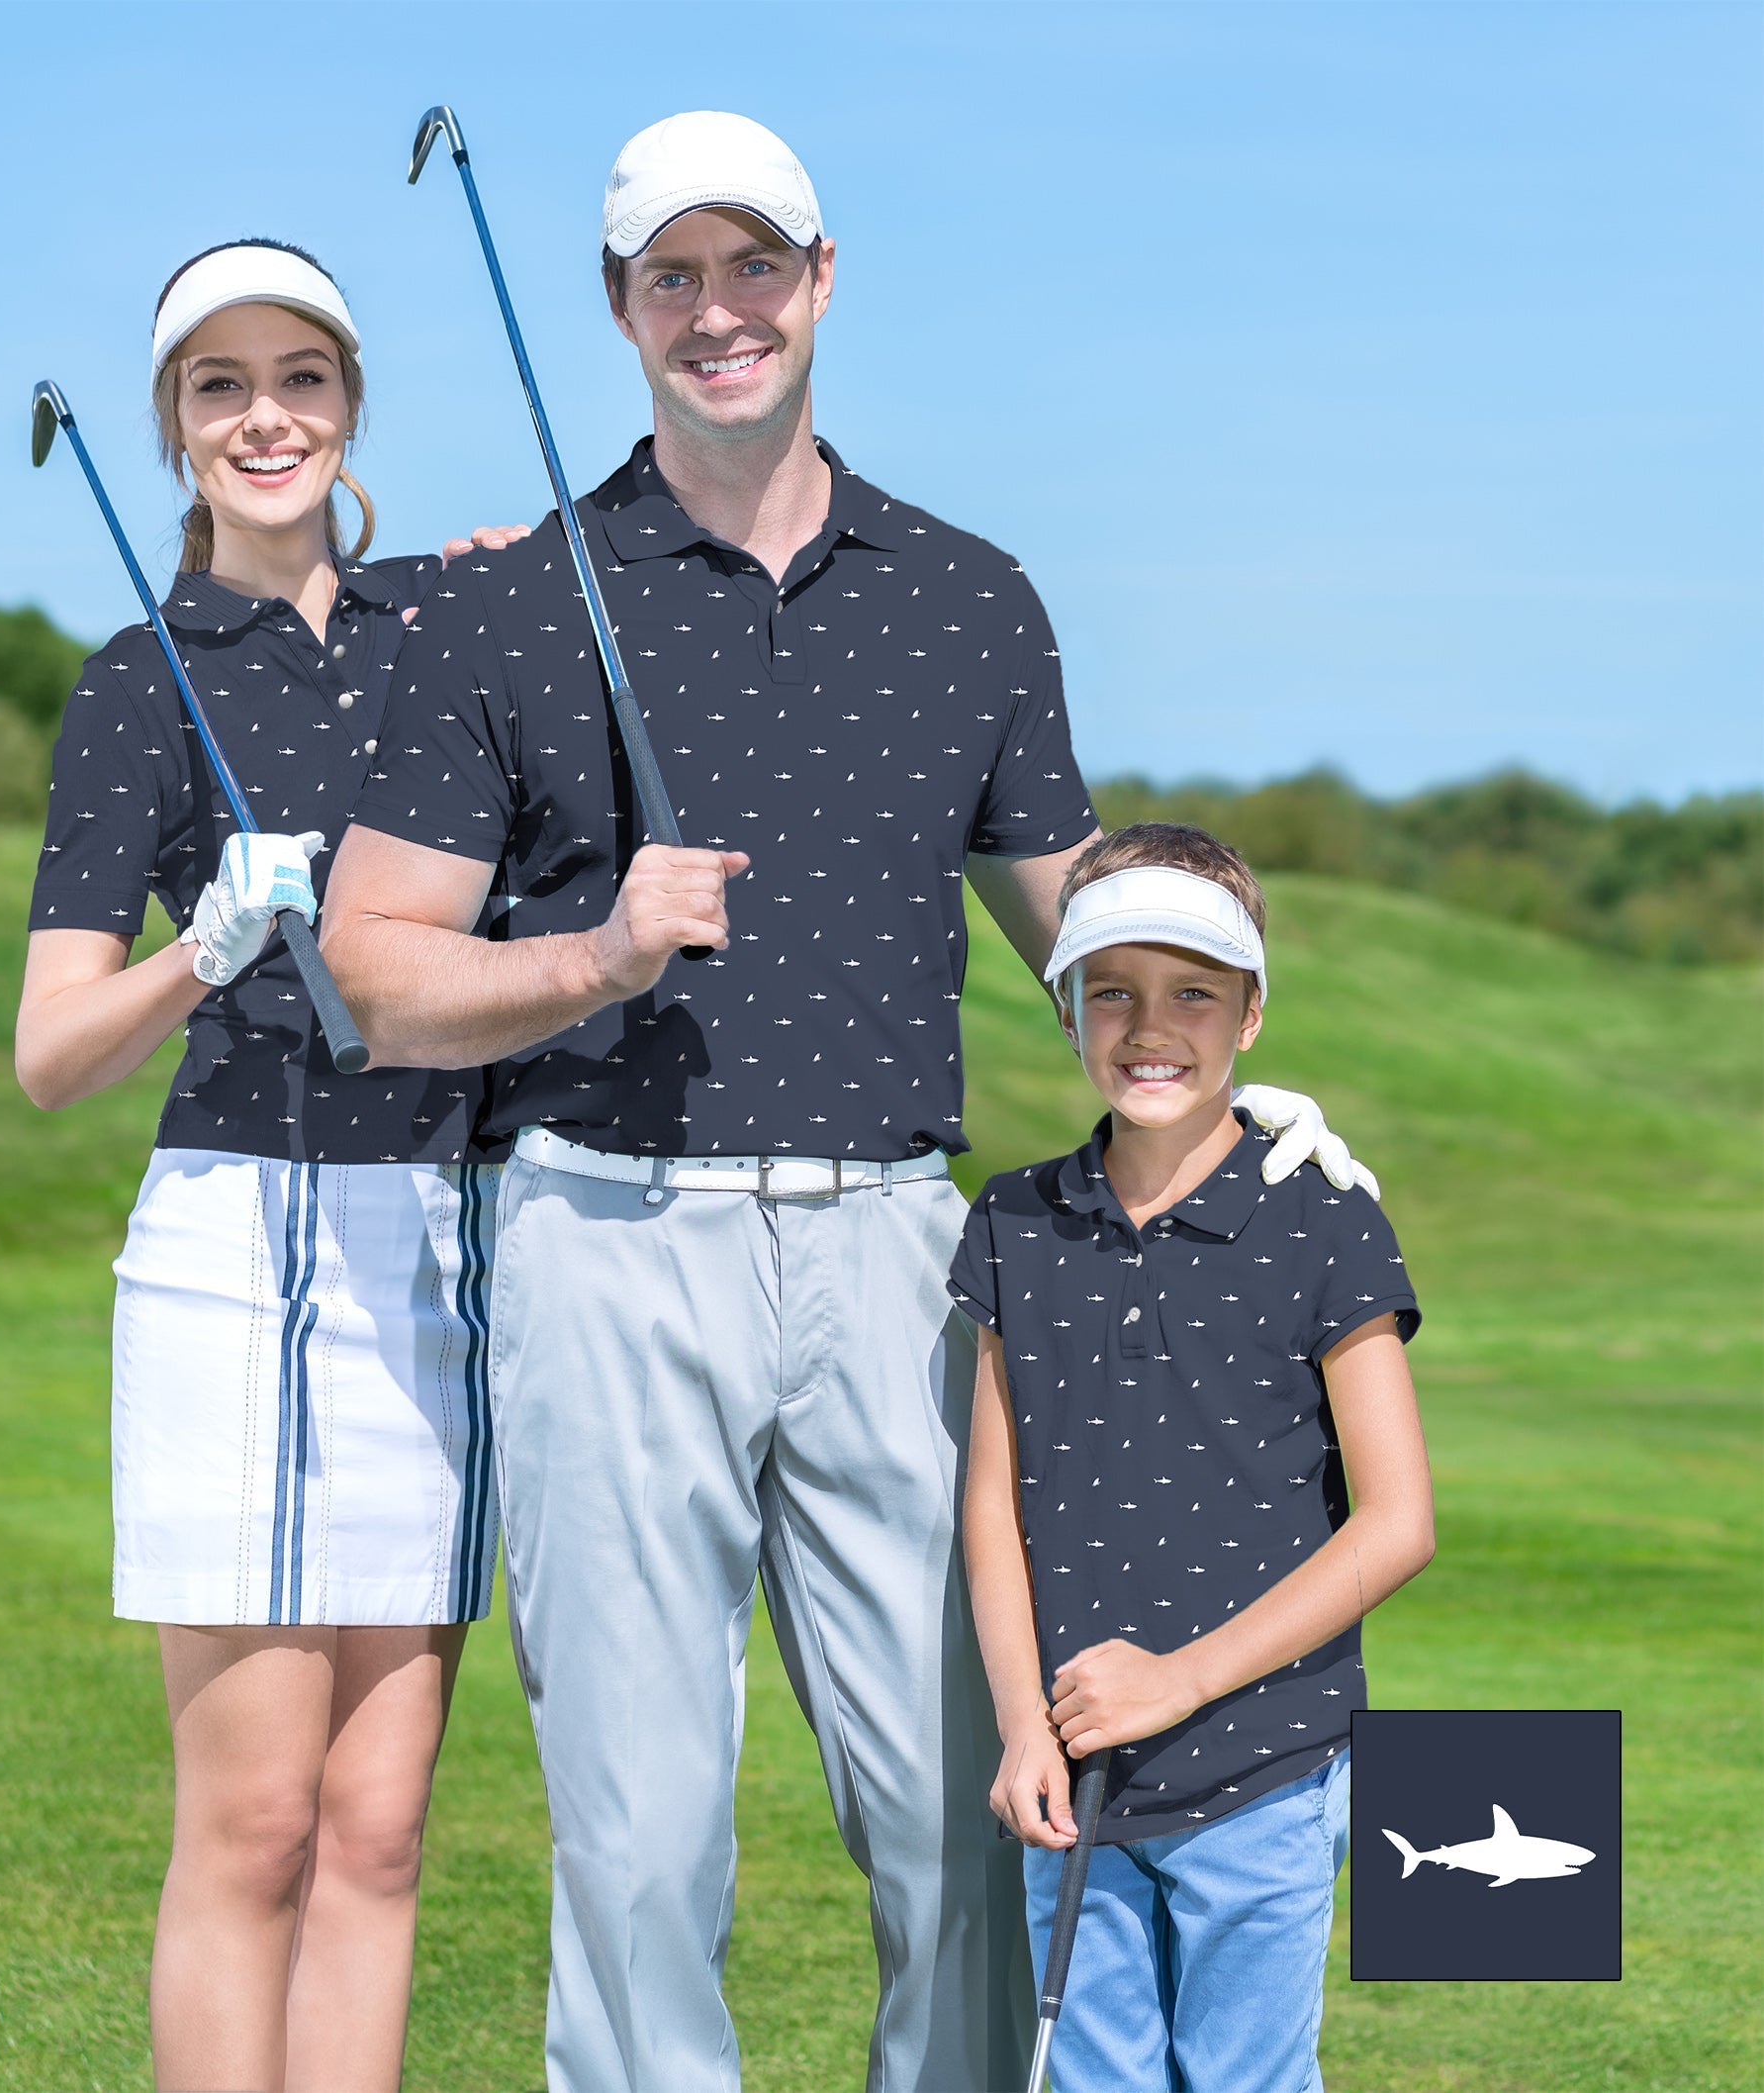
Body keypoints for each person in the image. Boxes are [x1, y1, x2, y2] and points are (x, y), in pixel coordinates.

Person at [320, 115, 1365, 2092]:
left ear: (820, 278)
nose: (719, 312)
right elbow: (373, 965)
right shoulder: (505, 604)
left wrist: (1238, 1062)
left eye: (753, 266)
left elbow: (1083, 933)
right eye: (671, 277)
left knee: (972, 1806)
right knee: (640, 1840)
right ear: (619, 309)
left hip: (901, 1256)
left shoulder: (973, 601)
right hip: (603, 1239)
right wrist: (585, 960)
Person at [15, 238, 524, 2093]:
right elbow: (51, 1052)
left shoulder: (453, 638)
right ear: (173, 427)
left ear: (349, 405)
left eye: (298, 378)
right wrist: (202, 951)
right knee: (255, 1827)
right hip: (235, 1240)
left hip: (430, 1245)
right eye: (220, 386)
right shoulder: (132, 684)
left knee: (380, 1827)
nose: (265, 417)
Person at [954, 822, 1436, 2093]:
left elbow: (1397, 1523)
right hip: (1072, 1772)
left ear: (1250, 1017)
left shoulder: (1326, 1217)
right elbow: (990, 1503)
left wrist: (1178, 1683)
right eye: (1110, 989)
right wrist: (1020, 1727)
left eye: (1192, 994)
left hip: (1265, 1765)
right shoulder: (1014, 1220)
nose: (1148, 1025)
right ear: (1064, 1007)